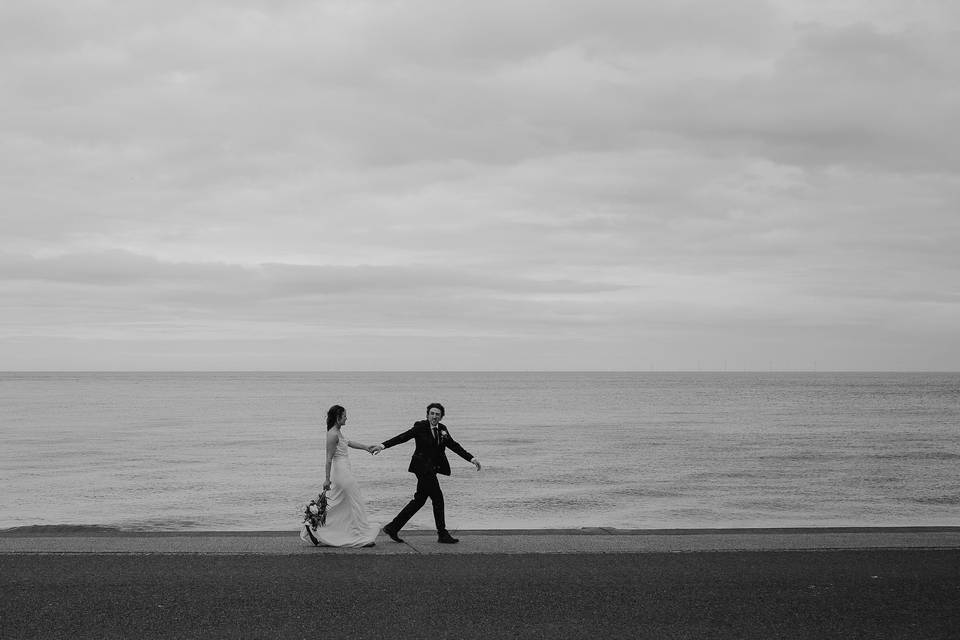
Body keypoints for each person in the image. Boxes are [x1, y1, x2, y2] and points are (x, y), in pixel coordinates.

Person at [372, 402, 480, 544]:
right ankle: (442, 534)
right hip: (421, 468)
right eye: (432, 413)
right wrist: (382, 445)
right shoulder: (420, 427)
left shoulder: (442, 429)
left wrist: (471, 458)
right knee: (438, 499)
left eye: (437, 414)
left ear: (441, 417)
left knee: (419, 500)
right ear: (428, 415)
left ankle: (393, 527)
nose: (434, 416)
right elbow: (403, 437)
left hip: (432, 469)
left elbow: (454, 446)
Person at [300, 404, 380, 547]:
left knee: (340, 503)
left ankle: (315, 527)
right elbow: (328, 458)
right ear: (338, 418)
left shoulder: (338, 431)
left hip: (345, 470)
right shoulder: (332, 434)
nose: (346, 418)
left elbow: (348, 443)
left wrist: (366, 447)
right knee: (354, 502)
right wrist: (326, 479)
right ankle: (359, 536)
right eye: (344, 416)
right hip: (341, 472)